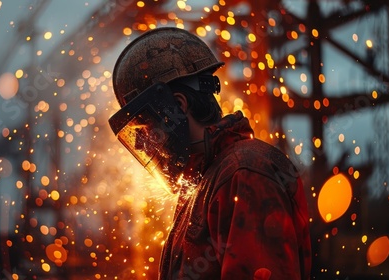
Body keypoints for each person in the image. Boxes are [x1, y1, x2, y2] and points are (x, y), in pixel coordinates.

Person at [108, 27, 311, 280]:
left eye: (146, 126)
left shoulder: (245, 172)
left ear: (178, 107)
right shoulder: (205, 183)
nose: (142, 143)